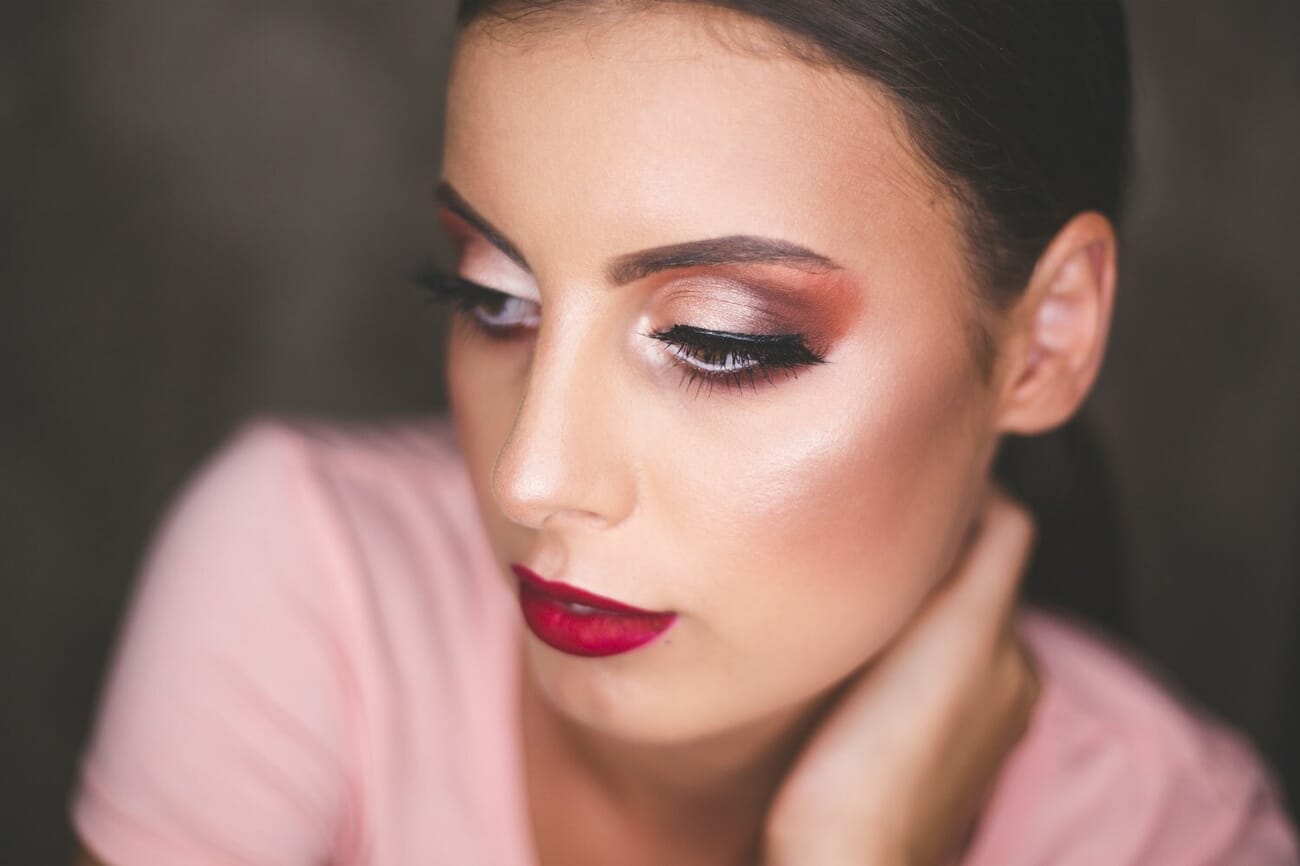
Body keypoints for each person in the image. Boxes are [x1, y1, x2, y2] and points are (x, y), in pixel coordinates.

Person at [70, 2, 1299, 864]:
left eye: (720, 338)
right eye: (493, 297)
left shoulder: (1171, 835)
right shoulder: (309, 579)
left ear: (1045, 339)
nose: (530, 475)